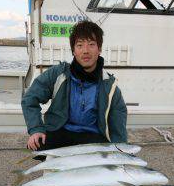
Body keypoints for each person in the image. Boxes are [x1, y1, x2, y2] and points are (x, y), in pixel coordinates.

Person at [21, 20, 127, 151]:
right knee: (37, 144)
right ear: (73, 50)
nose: (86, 51)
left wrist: (121, 151)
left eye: (91, 44)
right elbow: (30, 98)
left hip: (92, 136)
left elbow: (118, 123)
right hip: (61, 131)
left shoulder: (109, 85)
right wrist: (36, 129)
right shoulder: (58, 73)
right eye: (80, 45)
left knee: (109, 154)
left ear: (99, 49)